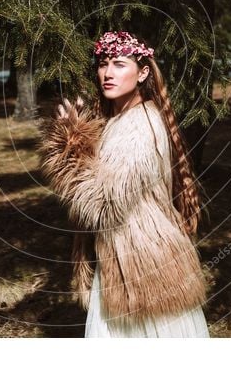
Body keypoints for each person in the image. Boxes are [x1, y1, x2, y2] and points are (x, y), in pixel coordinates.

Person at [38, 30, 210, 337]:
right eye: (103, 63)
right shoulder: (121, 120)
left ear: (142, 72)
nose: (107, 73)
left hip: (144, 264)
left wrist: (68, 152)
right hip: (125, 255)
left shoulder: (137, 127)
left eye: (119, 64)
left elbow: (102, 205)